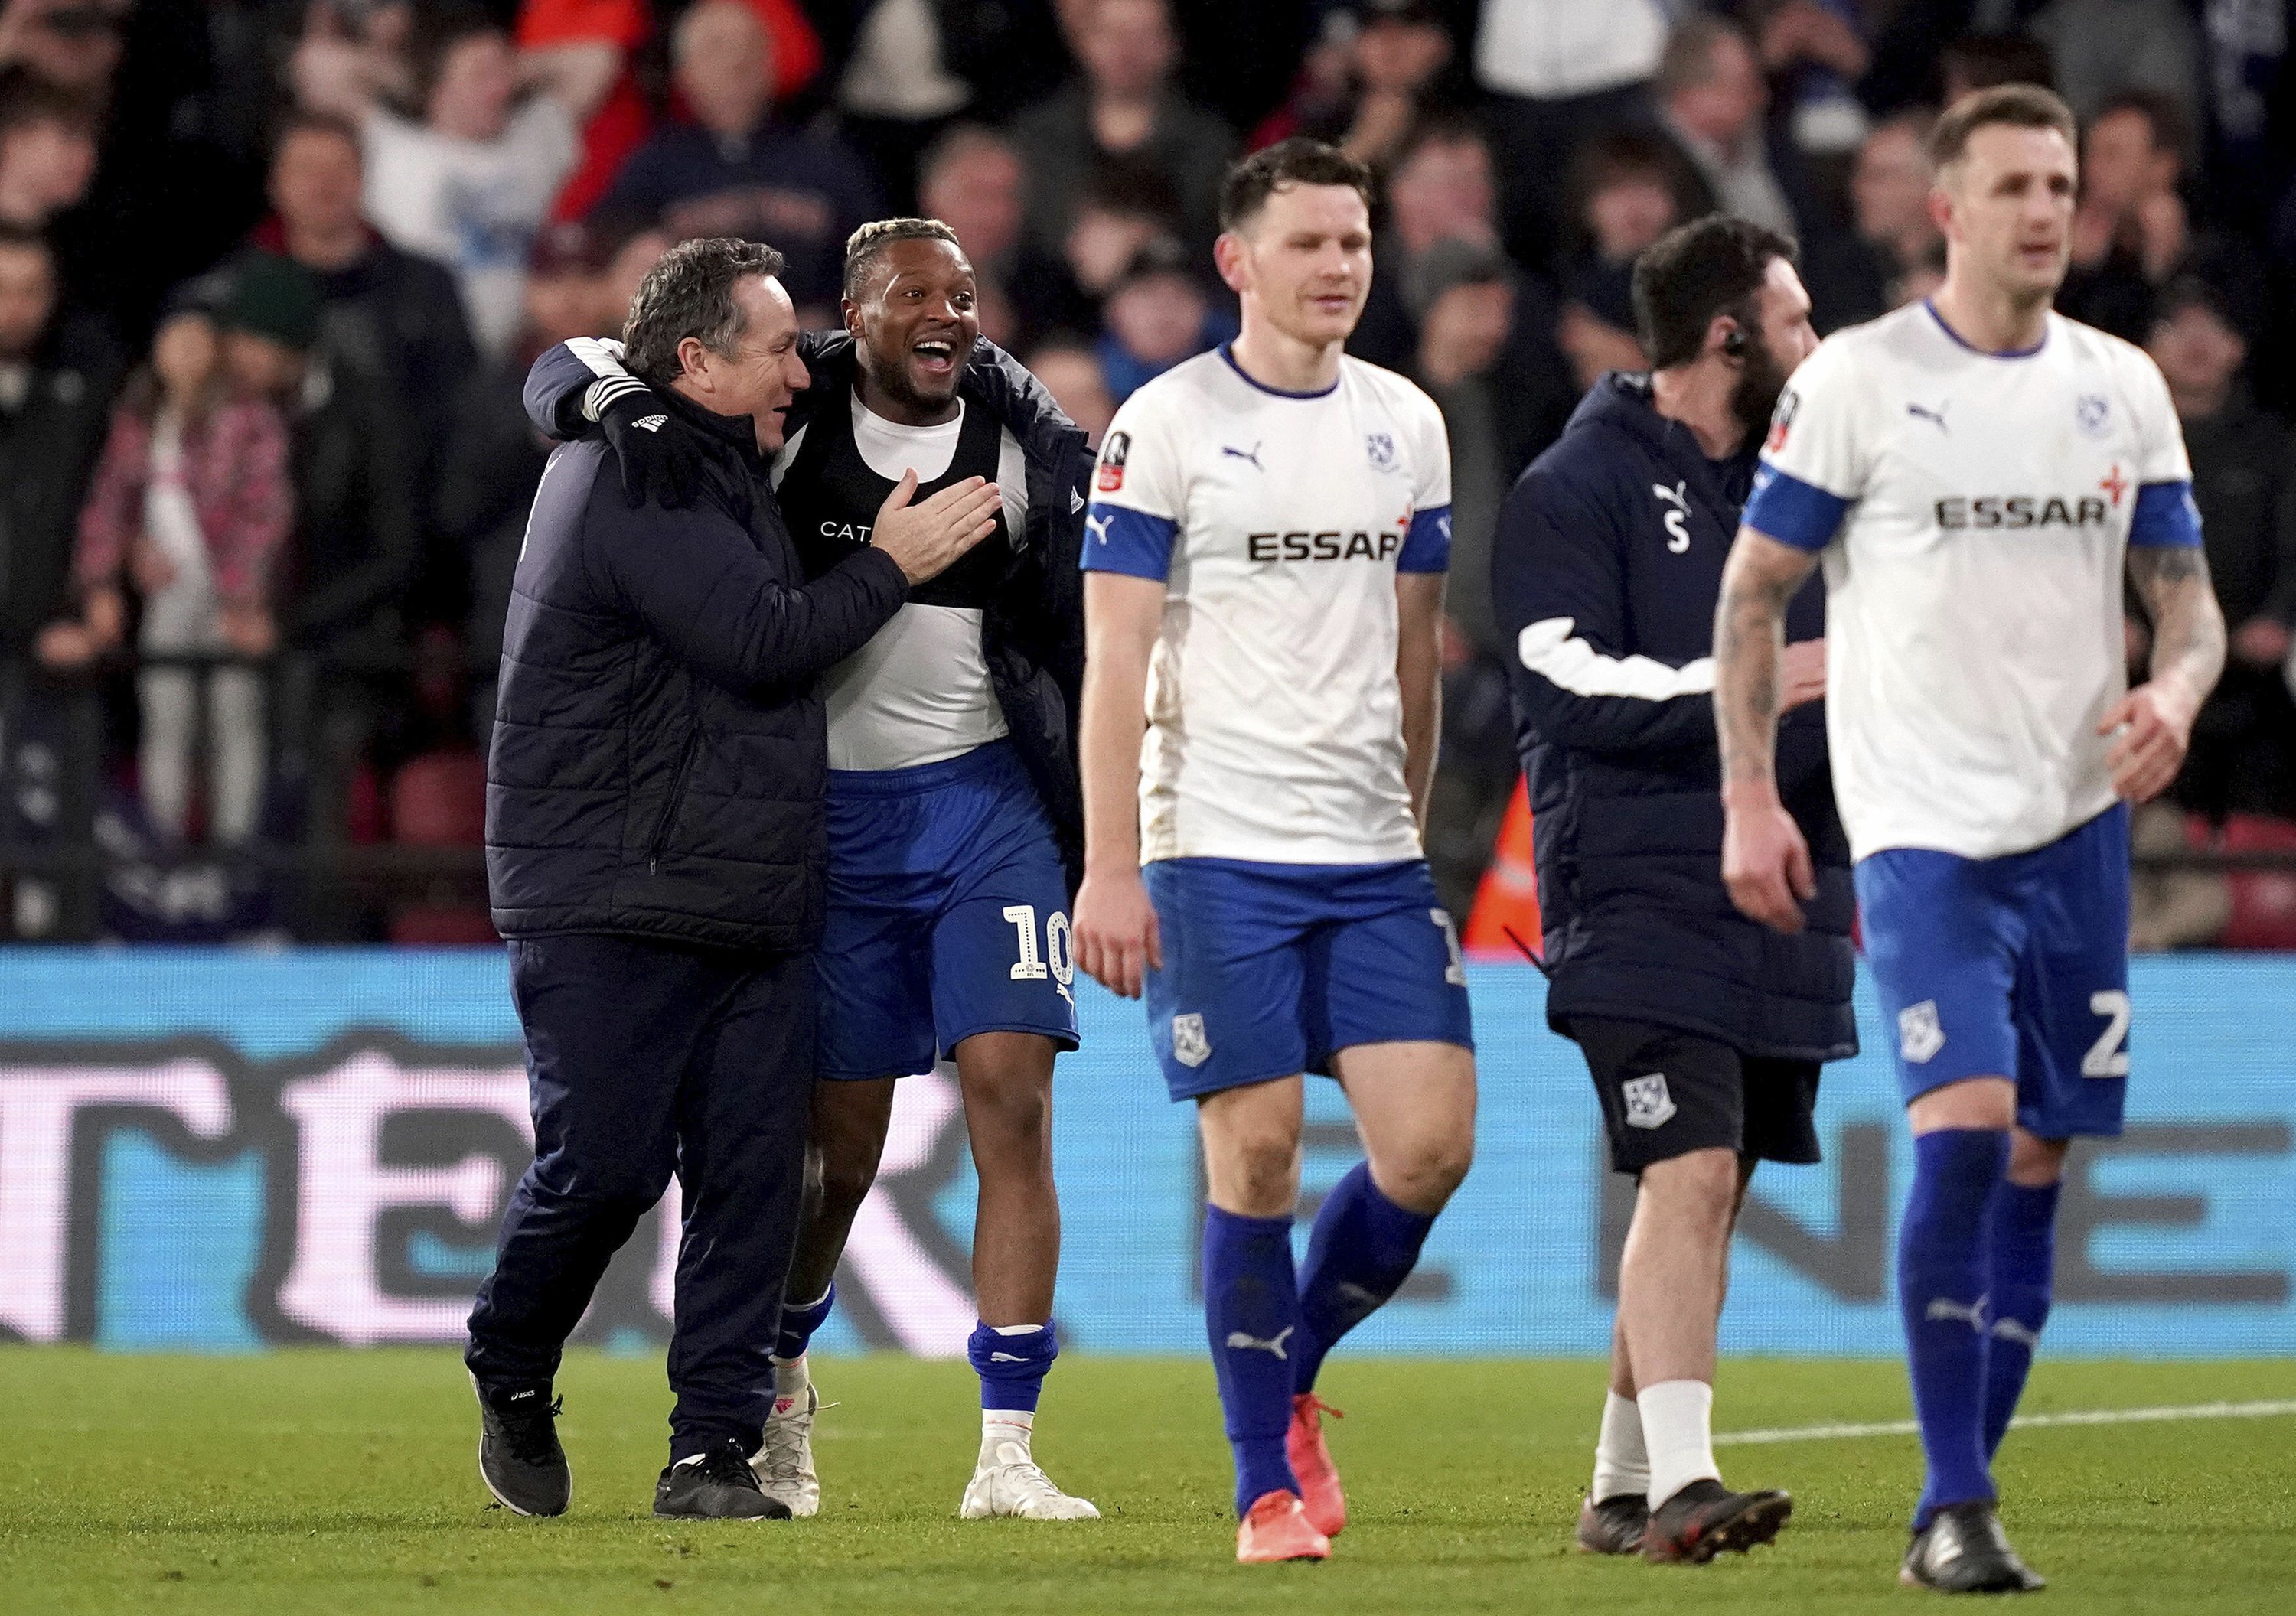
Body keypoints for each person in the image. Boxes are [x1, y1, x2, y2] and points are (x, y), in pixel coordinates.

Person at [1715, 85, 2227, 1592]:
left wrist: (2182, 693)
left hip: (2078, 829)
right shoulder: (1863, 385)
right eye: (2012, 184)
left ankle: (1960, 1493)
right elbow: (1753, 597)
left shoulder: (2122, 385)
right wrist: (1750, 794)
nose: (2046, 208)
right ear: (1947, 210)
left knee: (2042, 1158)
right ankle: (1956, 1507)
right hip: (1923, 832)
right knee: (1964, 1129)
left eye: (2062, 181)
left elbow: (2183, 600)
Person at [520, 217, 1097, 1521]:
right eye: (913, 295)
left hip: (988, 805)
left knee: (1013, 1095)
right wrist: (592, 392)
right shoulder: (784, 412)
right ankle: (777, 1389)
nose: (946, 316)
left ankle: (1008, 1447)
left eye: (964, 293)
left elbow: (1079, 612)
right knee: (833, 1161)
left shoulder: (1022, 437)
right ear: (853, 312)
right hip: (827, 820)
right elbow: (574, 370)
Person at [1072, 139, 1474, 1566]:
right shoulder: (1163, 426)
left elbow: (1417, 648)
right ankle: (1265, 1491)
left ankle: (1288, 1365)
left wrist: (1412, 820)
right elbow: (1112, 665)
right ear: (1239, 263)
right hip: (1215, 845)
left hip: (1370, 853)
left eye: (1356, 242)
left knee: (1431, 1146)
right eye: (1309, 243)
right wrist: (1110, 863)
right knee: (1255, 1154)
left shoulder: (1410, 424)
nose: (1340, 267)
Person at [1492, 213, 1847, 1566]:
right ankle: (1688, 1486)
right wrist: (1745, 685)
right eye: (1798, 321)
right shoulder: (1575, 485)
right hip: (1637, 888)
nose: (1813, 348)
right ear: (1727, 335)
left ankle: (1619, 1486)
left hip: (1786, 893)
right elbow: (1559, 681)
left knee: (1706, 1189)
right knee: (1688, 1168)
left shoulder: (1793, 491)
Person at [216, 251, 419, 864]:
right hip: (242, 635)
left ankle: (319, 938)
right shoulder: (227, 414)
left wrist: (290, 624)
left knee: (317, 793)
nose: (242, 356)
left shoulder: (368, 411)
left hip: (344, 649)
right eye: (238, 339)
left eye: (258, 340)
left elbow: (398, 554)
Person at [68, 298, 291, 847]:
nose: (186, 353)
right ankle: (161, 852)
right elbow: (110, 503)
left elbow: (264, 511)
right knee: (166, 724)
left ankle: (238, 855)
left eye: (198, 340)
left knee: (234, 723)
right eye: (175, 340)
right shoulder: (141, 418)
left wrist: (242, 597)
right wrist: (102, 581)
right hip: (169, 593)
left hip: (230, 595)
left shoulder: (248, 418)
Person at [589, 0, 882, 326]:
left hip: (812, 345)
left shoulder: (827, 160)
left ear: (772, 65)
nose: (735, 63)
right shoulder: (655, 164)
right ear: (685, 74)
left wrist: (835, 315)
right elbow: (608, 245)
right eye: (715, 50)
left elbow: (880, 261)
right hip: (698, 350)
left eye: (749, 49)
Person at [245, 111, 478, 507]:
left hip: (407, 510)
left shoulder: (426, 287)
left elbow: (463, 411)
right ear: (275, 184)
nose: (324, 185)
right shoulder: (239, 294)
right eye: (306, 170)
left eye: (340, 168)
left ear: (364, 178)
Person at [2142, 279, 2296, 819]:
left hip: (2253, 677)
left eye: (2213, 329)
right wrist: (2115, 622)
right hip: (2147, 674)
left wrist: (2279, 619)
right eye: (2177, 328)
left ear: (2239, 347)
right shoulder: (2125, 444)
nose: (2196, 343)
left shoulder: (2274, 443)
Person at [1009, 0, 1234, 259]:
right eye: (1111, 33)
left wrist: (1143, 246)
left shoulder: (1209, 141)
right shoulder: (1038, 134)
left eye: (1144, 35)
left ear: (1173, 44)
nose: (1126, 51)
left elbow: (1211, 234)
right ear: (1082, 41)